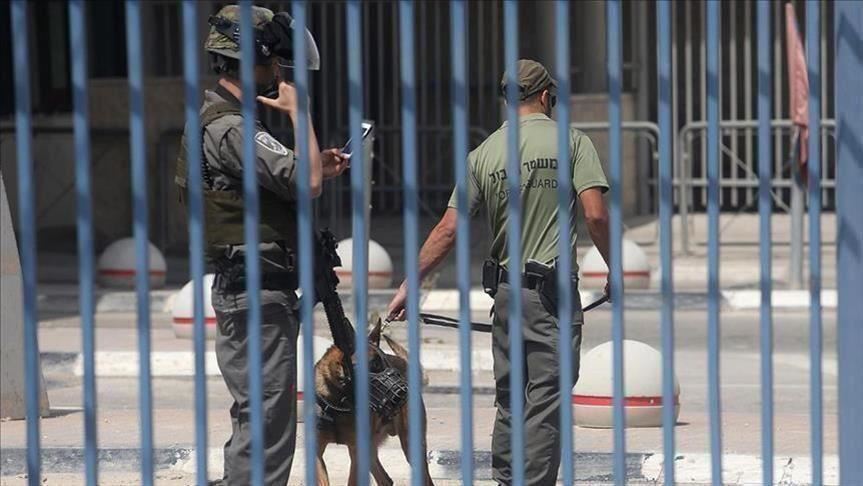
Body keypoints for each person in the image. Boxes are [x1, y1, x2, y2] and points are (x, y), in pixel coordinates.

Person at [386, 59, 612, 485]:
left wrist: (408, 285)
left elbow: (448, 229)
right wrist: (613, 267)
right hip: (552, 296)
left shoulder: (484, 152)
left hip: (506, 296)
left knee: (510, 397)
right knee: (546, 398)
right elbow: (596, 216)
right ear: (545, 96)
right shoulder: (572, 142)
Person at [175, 5, 348, 485]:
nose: (279, 72)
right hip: (255, 295)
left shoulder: (227, 122)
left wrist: (317, 163)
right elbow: (306, 183)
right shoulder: (232, 126)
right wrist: (301, 114)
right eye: (273, 61)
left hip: (253, 291)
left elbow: (284, 176)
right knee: (268, 426)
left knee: (259, 418)